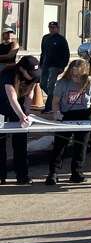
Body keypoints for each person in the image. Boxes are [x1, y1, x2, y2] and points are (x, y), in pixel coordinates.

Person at [46, 59, 91, 184]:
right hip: (66, 115)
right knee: (60, 145)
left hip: (84, 115)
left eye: (78, 75)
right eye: (73, 75)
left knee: (81, 145)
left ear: (84, 74)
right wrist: (57, 113)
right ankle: (53, 172)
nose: (75, 78)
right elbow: (55, 101)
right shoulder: (62, 83)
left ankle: (77, 172)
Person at [0, 55, 41, 185]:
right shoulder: (8, 74)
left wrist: (27, 111)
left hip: (19, 107)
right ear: (22, 69)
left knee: (20, 143)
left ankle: (22, 175)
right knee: (1, 142)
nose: (33, 76)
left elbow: (30, 93)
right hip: (2, 106)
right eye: (30, 73)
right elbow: (12, 96)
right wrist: (21, 115)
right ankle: (1, 175)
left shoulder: (35, 76)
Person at [40, 20, 70, 111]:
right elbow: (43, 52)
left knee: (51, 85)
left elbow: (66, 54)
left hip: (55, 66)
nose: (51, 29)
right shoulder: (45, 38)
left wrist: (62, 66)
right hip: (45, 65)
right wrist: (41, 64)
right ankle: (55, 98)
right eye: (50, 27)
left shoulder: (61, 39)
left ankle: (49, 106)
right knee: (42, 84)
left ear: (57, 28)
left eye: (53, 28)